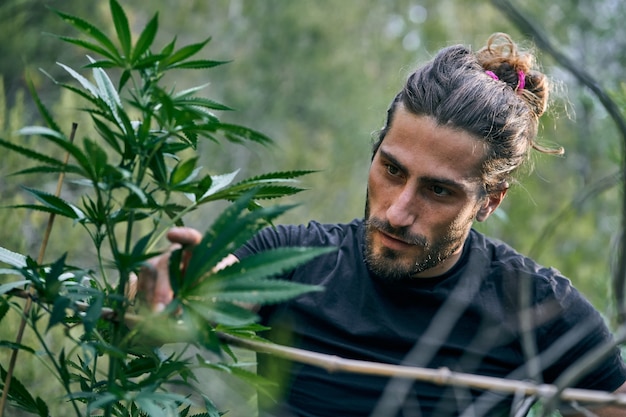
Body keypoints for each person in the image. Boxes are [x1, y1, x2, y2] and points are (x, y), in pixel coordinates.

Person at [137, 33, 626, 416]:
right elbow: (183, 306)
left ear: (489, 202)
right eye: (392, 170)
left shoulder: (537, 307)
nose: (397, 211)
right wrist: (175, 288)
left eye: (438, 190)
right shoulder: (291, 260)